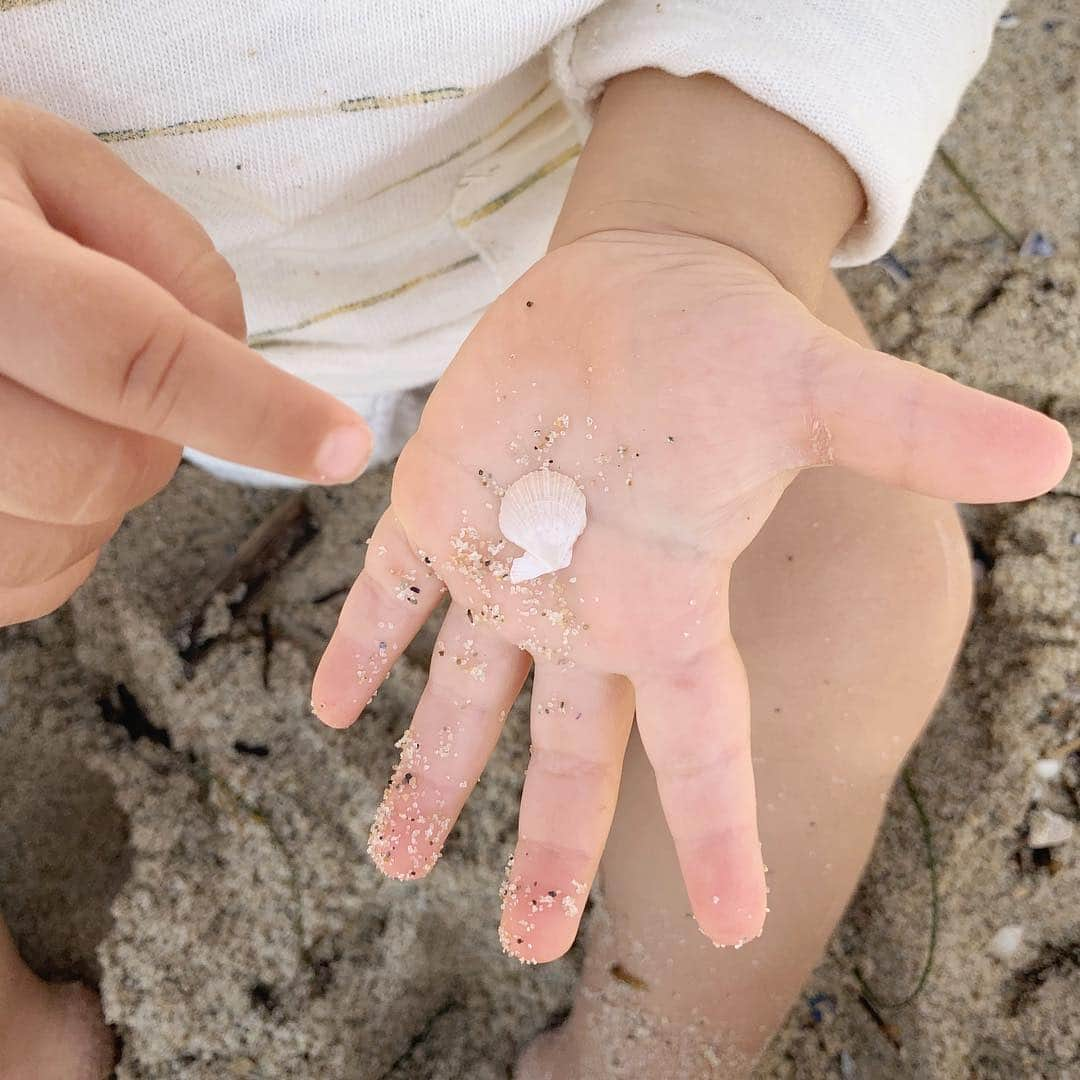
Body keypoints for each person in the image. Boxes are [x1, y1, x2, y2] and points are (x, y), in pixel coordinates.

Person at [0, 2, 1069, 1077]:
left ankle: (660, 1038)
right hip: (60, 338)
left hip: (606, 237)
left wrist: (709, 217)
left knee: (858, 594)